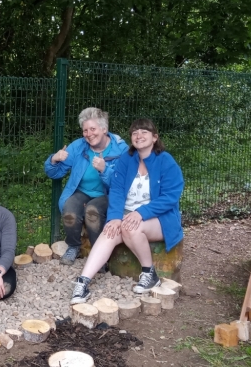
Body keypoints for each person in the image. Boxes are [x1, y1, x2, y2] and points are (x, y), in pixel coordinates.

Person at [70, 118, 184, 305]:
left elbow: (171, 197)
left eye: (144, 132)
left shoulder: (166, 161)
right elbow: (116, 190)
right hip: (127, 215)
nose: (139, 135)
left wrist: (141, 213)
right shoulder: (127, 159)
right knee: (110, 230)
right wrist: (114, 217)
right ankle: (82, 283)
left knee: (130, 227)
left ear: (154, 137)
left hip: (160, 218)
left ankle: (149, 274)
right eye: (134, 132)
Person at [44, 107, 129, 266]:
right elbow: (55, 173)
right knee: (69, 208)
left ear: (104, 129)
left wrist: (105, 170)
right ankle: (74, 245)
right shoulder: (78, 146)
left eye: (93, 129)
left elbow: (123, 184)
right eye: (85, 130)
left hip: (109, 194)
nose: (89, 134)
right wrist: (54, 159)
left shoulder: (121, 149)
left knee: (92, 210)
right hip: (83, 192)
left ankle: (100, 255)